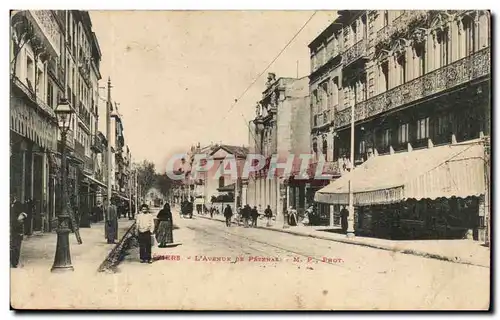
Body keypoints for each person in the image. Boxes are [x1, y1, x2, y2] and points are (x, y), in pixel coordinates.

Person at [11, 194, 27, 268]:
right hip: (12, 229)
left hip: (17, 229)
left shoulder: (19, 204)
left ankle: (14, 262)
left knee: (16, 247)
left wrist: (20, 219)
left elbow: (24, 215)